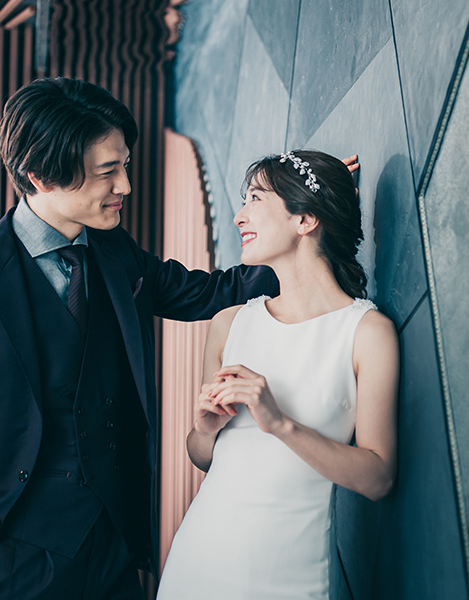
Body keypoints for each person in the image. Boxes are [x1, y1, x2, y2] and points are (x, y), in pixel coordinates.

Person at [0, 77, 356, 599]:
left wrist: (304, 218)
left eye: (124, 165)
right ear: (40, 176)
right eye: (108, 172)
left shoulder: (112, 250)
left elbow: (208, 293)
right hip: (6, 564)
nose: (125, 185)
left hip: (114, 551)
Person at [156, 150, 399, 599]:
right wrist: (205, 429)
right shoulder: (229, 324)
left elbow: (378, 479)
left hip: (289, 576)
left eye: (255, 198)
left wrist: (281, 424)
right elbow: (203, 456)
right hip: (195, 562)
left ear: (305, 220)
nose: (239, 216)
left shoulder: (366, 333)